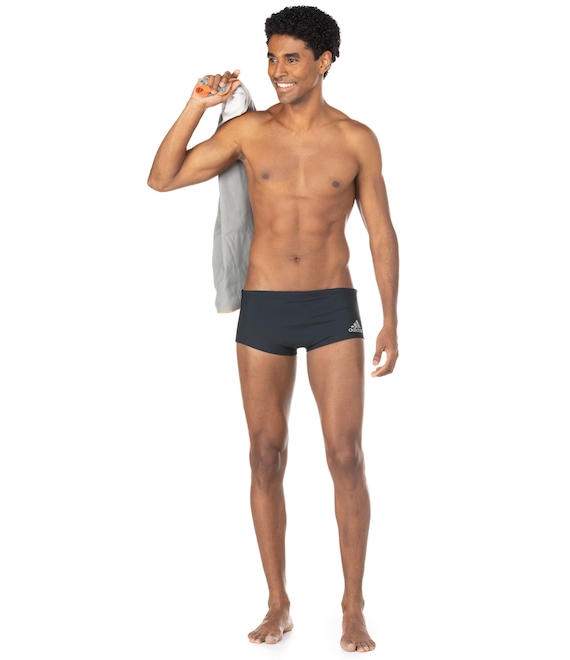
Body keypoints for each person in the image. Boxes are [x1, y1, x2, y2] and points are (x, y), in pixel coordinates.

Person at [147, 5, 399, 653]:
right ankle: (278, 602)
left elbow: (380, 232)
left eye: (291, 58)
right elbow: (161, 178)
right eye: (271, 57)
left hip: (332, 306)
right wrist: (197, 105)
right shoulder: (249, 132)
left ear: (324, 62)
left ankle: (352, 607)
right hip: (264, 306)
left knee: (345, 455)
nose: (277, 70)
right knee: (264, 453)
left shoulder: (356, 139)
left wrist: (391, 319)